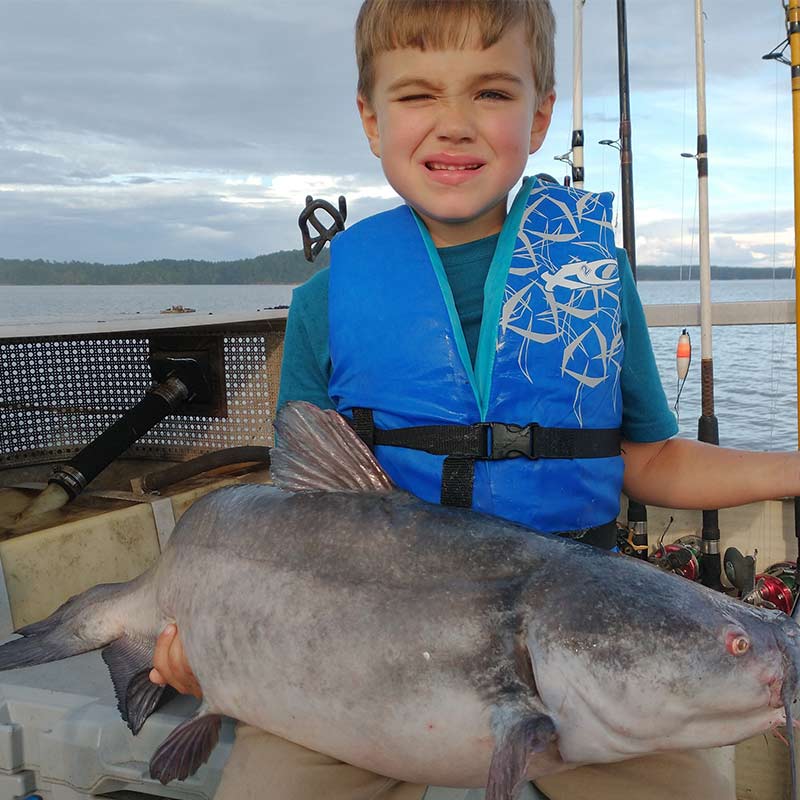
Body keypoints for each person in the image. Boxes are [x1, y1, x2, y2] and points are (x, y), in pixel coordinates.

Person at [150, 1, 799, 798]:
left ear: (539, 117)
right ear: (370, 117)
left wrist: (792, 468)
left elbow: (653, 458)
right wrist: (205, 645)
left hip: (580, 652)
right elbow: (296, 517)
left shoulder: (596, 282)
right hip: (354, 662)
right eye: (419, 94)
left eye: (491, 93)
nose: (454, 124)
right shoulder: (326, 304)